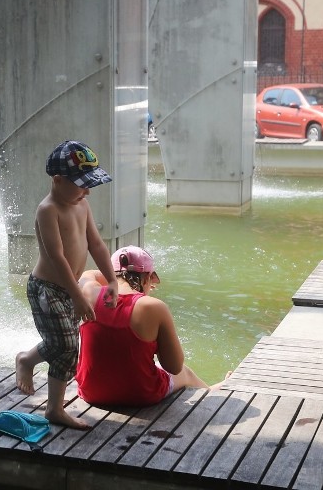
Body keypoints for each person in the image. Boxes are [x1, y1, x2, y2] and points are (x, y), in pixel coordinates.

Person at [14, 140, 118, 429]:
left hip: (68, 289)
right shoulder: (48, 210)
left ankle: (46, 395)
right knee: (65, 342)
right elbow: (56, 257)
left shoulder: (81, 204)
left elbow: (96, 243)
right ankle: (36, 376)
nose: (86, 191)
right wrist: (78, 295)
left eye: (89, 185)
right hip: (47, 289)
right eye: (81, 184)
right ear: (57, 181)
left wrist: (111, 279)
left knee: (67, 347)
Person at [75, 246, 216, 407]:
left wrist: (114, 275)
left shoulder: (89, 291)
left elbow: (89, 274)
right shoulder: (154, 306)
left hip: (91, 392)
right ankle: (212, 391)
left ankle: (212, 389)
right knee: (186, 372)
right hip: (142, 393)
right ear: (147, 278)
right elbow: (174, 366)